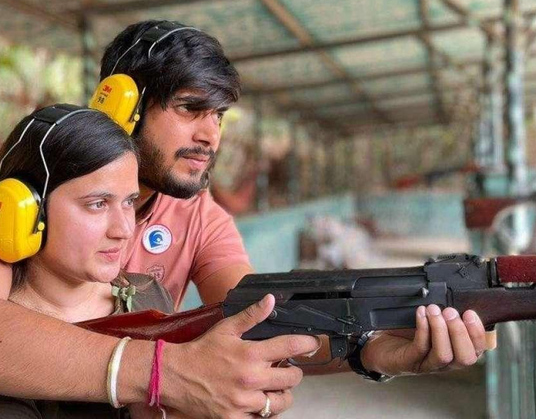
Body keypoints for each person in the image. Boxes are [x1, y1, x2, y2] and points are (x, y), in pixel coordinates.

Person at [0, 21, 487, 417]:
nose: (212, 135)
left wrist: (372, 347)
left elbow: (261, 319)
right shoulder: (20, 202)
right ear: (121, 104)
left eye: (218, 116)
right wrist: (169, 373)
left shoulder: (202, 219)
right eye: (192, 109)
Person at [0, 106, 305, 418]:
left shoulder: (147, 292)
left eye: (130, 202)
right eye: (97, 204)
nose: (125, 229)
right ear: (22, 207)